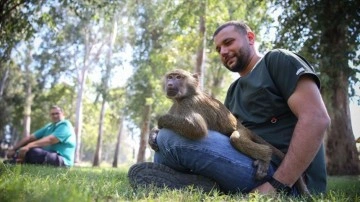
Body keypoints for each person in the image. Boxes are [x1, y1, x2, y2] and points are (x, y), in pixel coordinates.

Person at [128, 21, 330, 195]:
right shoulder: (234, 90)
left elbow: (316, 119)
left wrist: (277, 184)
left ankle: (201, 184)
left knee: (169, 139)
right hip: (247, 163)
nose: (223, 52)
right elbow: (221, 138)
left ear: (250, 37)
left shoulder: (276, 60)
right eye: (218, 49)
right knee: (162, 148)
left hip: (287, 177)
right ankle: (200, 185)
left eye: (228, 42)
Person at [6, 106, 76, 167]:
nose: (55, 116)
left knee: (33, 151)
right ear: (50, 116)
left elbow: (51, 140)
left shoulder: (65, 125)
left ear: (63, 114)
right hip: (50, 155)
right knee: (25, 149)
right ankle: (16, 159)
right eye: (52, 114)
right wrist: (14, 149)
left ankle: (18, 161)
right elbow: (30, 138)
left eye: (57, 113)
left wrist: (28, 146)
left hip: (63, 161)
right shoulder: (49, 126)